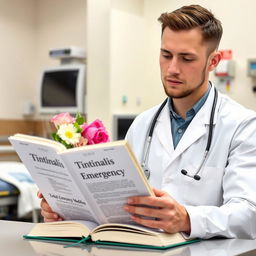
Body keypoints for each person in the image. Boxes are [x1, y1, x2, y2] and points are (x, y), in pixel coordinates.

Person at [39, 5, 256, 239]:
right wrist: (67, 211)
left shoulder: (242, 126)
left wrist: (187, 219)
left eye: (186, 58)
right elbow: (116, 208)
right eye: (166, 55)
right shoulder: (143, 124)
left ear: (213, 62)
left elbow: (248, 214)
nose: (172, 69)